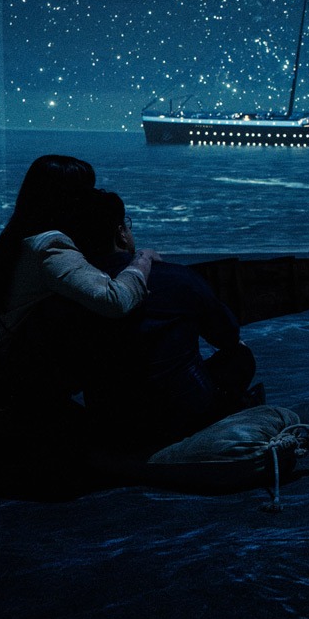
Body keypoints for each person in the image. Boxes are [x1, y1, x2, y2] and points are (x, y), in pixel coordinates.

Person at [0, 155, 161, 403]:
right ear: (68, 197)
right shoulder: (51, 247)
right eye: (86, 190)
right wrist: (142, 259)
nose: (92, 198)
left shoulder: (22, 236)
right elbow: (115, 300)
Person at [70, 189, 260, 449]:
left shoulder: (72, 293)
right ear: (121, 233)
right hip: (184, 417)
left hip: (114, 421)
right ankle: (222, 417)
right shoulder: (178, 278)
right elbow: (228, 335)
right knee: (240, 356)